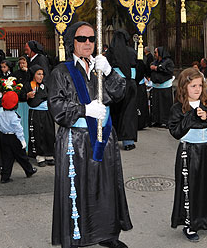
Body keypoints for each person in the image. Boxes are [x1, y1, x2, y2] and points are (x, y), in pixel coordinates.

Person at [48, 21, 131, 248]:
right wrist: (84, 110)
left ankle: (106, 234)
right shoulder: (61, 72)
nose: (87, 43)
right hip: (75, 138)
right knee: (76, 188)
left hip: (103, 135)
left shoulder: (100, 68)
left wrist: (109, 71)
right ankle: (74, 236)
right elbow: (56, 107)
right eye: (82, 39)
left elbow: (120, 92)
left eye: (92, 39)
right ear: (71, 42)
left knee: (105, 186)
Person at [169, 68, 207, 242]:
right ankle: (190, 224)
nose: (197, 89)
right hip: (189, 152)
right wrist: (192, 117)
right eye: (193, 85)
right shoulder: (178, 108)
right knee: (191, 188)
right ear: (184, 87)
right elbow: (175, 131)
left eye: (200, 85)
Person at [107, 29, 138, 151]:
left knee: (114, 111)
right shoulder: (132, 51)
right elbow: (140, 66)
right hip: (130, 83)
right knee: (129, 112)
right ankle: (128, 141)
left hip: (114, 84)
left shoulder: (110, 52)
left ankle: (112, 138)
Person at [0, 90, 37, 183]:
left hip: (4, 137)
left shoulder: (0, 114)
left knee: (7, 158)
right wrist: (22, 140)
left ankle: (5, 176)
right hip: (14, 138)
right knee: (22, 156)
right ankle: (29, 170)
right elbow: (18, 129)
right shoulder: (14, 116)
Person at [23, 65, 55, 166]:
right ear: (33, 75)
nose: (41, 77)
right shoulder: (28, 85)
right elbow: (21, 96)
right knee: (38, 133)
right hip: (35, 113)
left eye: (42, 74)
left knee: (49, 132)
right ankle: (40, 156)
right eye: (38, 74)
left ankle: (49, 154)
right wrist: (27, 96)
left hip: (47, 112)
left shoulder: (46, 85)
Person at [150, 47, 175, 128]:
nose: (154, 54)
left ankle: (167, 121)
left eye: (155, 52)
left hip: (165, 86)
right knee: (156, 104)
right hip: (156, 86)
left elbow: (168, 70)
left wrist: (157, 68)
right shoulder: (155, 61)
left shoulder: (168, 62)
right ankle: (157, 120)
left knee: (165, 105)